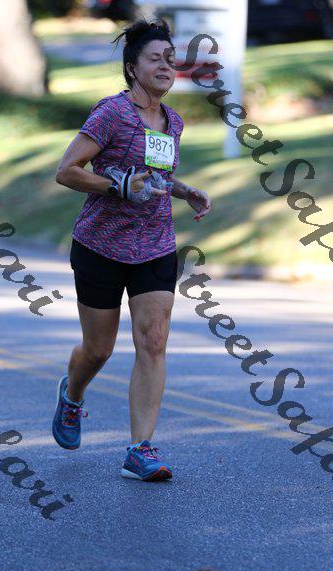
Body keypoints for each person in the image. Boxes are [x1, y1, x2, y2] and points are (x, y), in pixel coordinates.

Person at [52, 19, 212, 482]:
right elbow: (67, 170)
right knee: (98, 349)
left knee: (154, 341)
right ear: (131, 68)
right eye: (154, 58)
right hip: (101, 245)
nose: (166, 66)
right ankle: (72, 395)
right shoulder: (111, 114)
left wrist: (184, 190)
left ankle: (140, 449)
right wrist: (117, 186)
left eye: (170, 58)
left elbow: (156, 175)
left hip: (155, 245)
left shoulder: (173, 121)